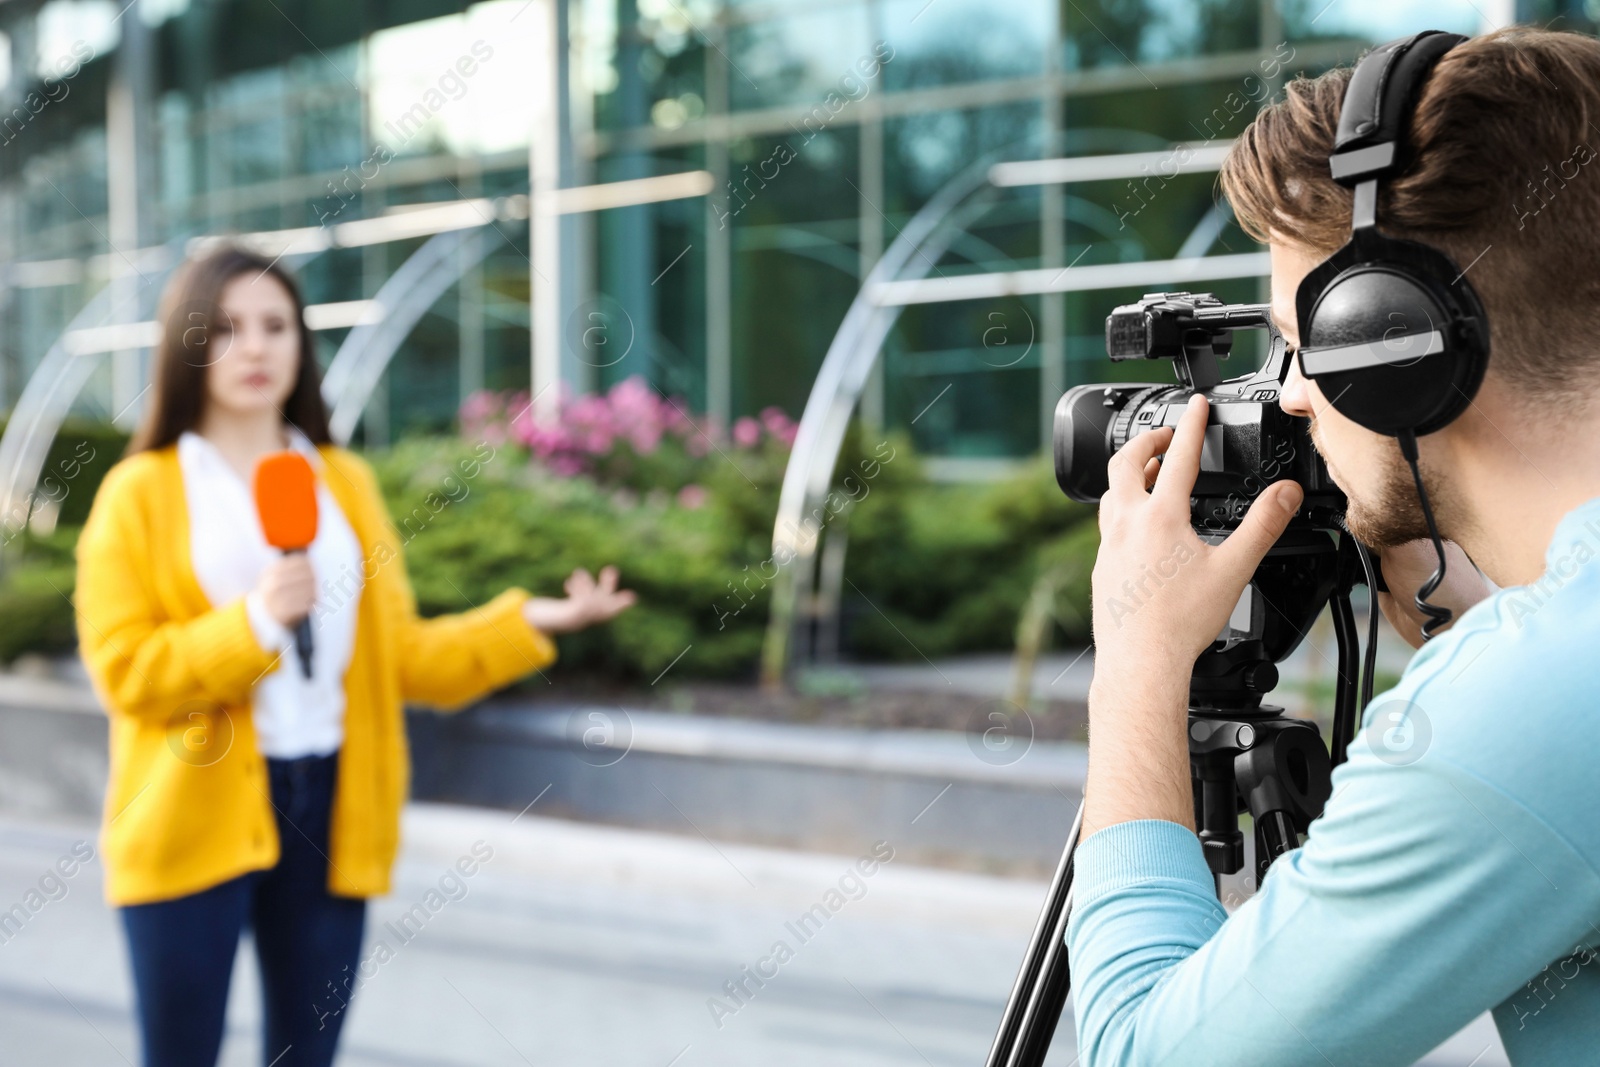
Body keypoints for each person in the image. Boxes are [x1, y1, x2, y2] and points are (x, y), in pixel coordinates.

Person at [1066, 26, 1600, 1067]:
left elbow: (1144, 1055)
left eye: (1301, 346)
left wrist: (1134, 662)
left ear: (1396, 351)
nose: (1293, 398)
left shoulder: (1530, 696)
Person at [73, 244, 635, 1067]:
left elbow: (403, 655)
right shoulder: (141, 492)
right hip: (186, 814)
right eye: (227, 328)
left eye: (276, 326)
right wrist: (257, 620)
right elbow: (126, 672)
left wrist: (533, 620)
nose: (257, 347)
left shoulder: (343, 481)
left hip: (331, 802)